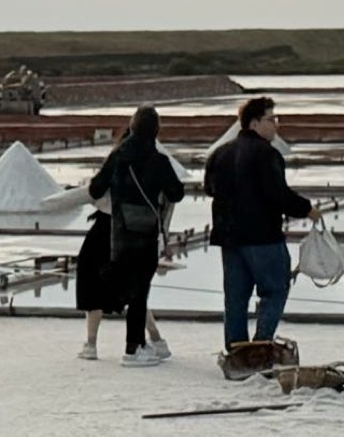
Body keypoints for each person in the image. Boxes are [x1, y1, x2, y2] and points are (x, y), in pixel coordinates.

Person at [201, 94, 314, 351]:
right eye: (271, 119)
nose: (276, 124)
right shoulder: (267, 154)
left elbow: (209, 189)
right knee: (274, 290)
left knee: (236, 299)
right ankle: (260, 347)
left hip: (229, 238)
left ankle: (236, 352)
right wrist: (307, 209)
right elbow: (279, 195)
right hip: (263, 237)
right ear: (253, 123)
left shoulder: (219, 154)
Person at [87, 106, 185, 366]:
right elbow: (176, 193)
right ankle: (133, 348)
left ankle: (138, 344)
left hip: (119, 233)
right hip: (145, 233)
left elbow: (96, 188)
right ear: (156, 130)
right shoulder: (158, 160)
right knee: (140, 291)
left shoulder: (117, 156)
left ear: (131, 127)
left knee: (130, 288)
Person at [71, 198, 117, 361]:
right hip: (131, 230)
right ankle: (156, 340)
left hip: (106, 229)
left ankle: (91, 345)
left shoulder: (117, 175)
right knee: (132, 290)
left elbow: (94, 193)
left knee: (90, 284)